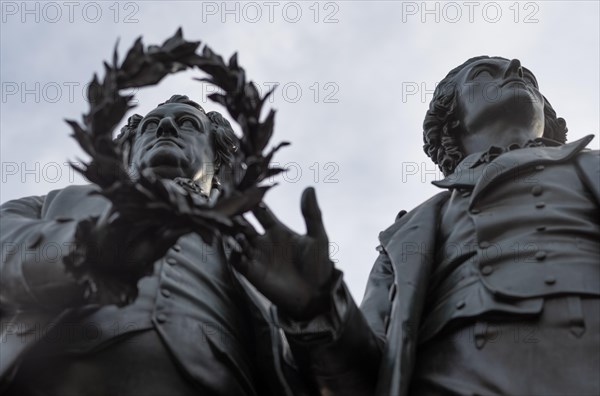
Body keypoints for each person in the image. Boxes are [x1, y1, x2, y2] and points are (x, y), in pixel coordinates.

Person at [233, 56, 600, 395]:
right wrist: (318, 307)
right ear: (452, 118)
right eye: (485, 72)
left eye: (527, 77)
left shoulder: (589, 167)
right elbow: (365, 374)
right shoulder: (404, 236)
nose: (517, 69)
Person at [0, 95, 312, 396]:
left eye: (188, 123)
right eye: (151, 125)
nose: (165, 128)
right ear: (127, 153)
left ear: (218, 158)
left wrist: (319, 309)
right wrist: (82, 248)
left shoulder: (258, 249)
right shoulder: (53, 203)